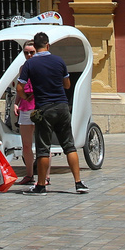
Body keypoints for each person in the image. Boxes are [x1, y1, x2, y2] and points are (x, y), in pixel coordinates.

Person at [21, 33, 87, 195]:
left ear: (35, 47)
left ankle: (41, 185)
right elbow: (67, 84)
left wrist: (28, 97)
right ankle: (78, 183)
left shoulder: (30, 64)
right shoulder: (59, 61)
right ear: (48, 45)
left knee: (43, 148)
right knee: (69, 146)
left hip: (44, 108)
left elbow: (19, 88)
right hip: (62, 106)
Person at [14, 42, 37, 184]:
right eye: (26, 52)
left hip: (39, 106)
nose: (29, 55)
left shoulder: (42, 66)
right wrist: (16, 103)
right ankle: (29, 174)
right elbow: (19, 87)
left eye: (32, 52)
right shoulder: (23, 68)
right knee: (26, 144)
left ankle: (45, 176)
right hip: (25, 107)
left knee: (42, 143)